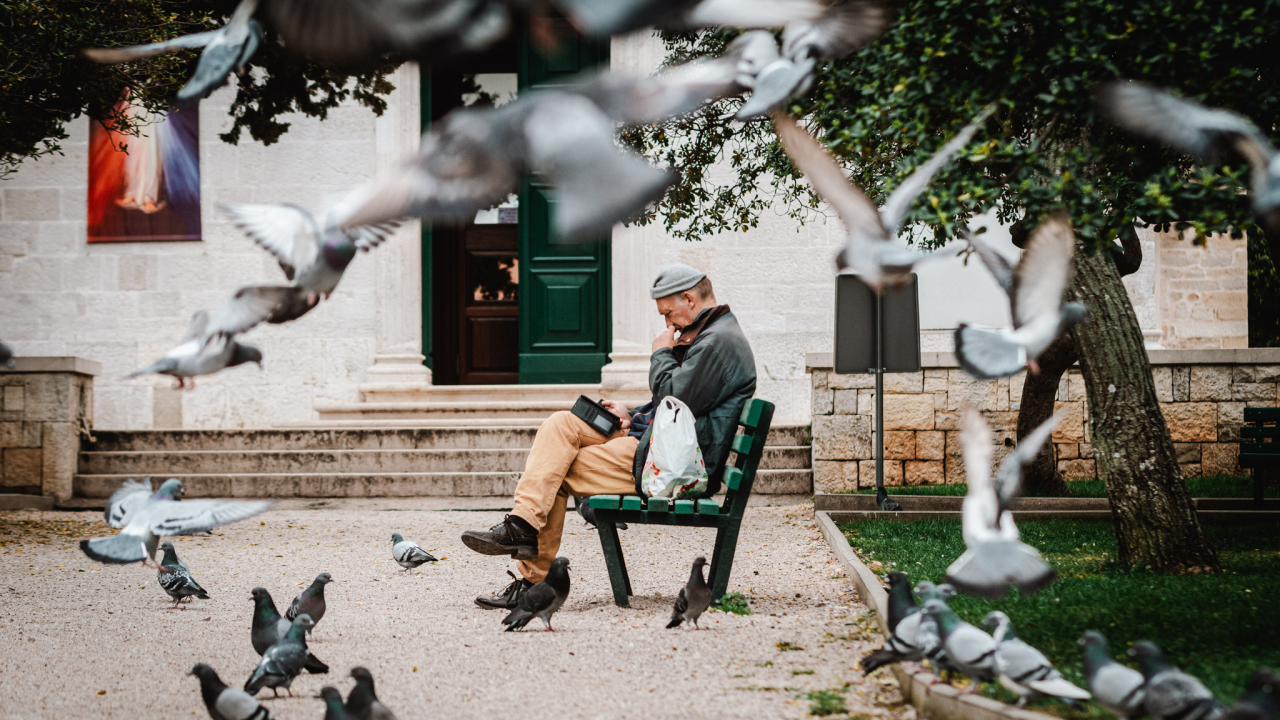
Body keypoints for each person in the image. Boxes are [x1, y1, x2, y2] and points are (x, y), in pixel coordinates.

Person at [461, 264, 757, 608]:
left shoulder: (718, 342)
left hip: (673, 467)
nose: (667, 324)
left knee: (554, 470)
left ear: (689, 299)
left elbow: (674, 397)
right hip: (662, 449)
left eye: (668, 313)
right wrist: (633, 417)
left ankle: (531, 577)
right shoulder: (714, 335)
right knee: (561, 424)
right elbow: (678, 407)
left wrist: (661, 353)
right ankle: (524, 524)